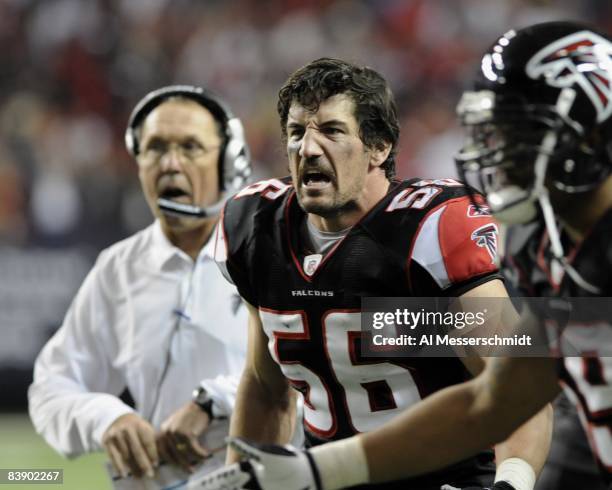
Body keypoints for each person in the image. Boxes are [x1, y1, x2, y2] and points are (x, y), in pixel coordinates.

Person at [193, 22, 612, 490]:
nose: (307, 148)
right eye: (296, 132)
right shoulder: (554, 256)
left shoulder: (431, 230)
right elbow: (496, 398)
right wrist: (306, 471)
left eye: (523, 135)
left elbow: (501, 387)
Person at [28, 85, 252, 480]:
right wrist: (106, 418)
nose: (170, 163)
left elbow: (319, 374)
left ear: (229, 163)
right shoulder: (119, 269)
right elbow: (50, 387)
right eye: (155, 148)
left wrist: (212, 403)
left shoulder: (273, 251)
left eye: (190, 147)